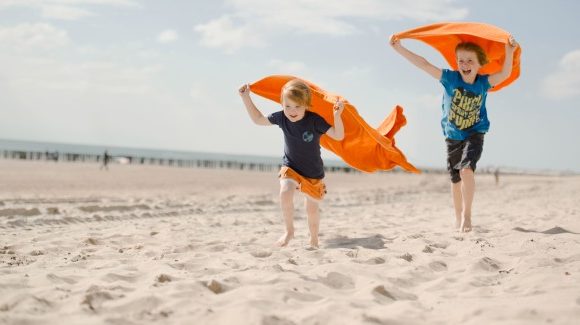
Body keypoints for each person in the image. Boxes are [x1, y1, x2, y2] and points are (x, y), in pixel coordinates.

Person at [390, 33, 518, 232]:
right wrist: (399, 48)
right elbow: (424, 64)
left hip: (475, 133)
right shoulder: (450, 78)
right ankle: (457, 217)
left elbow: (505, 74)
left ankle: (467, 217)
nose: (465, 64)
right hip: (452, 135)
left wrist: (509, 52)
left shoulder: (483, 83)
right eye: (461, 60)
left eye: (470, 61)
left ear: (479, 64)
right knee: (455, 179)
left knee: (466, 170)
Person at [238, 79, 345, 248]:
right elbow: (258, 119)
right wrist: (246, 98)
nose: (292, 111)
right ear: (282, 104)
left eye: (297, 106)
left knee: (311, 209)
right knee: (285, 192)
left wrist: (337, 116)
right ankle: (289, 232)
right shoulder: (281, 117)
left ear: (306, 105)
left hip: (313, 173)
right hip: (291, 167)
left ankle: (314, 239)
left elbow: (338, 135)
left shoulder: (314, 120)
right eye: (287, 106)